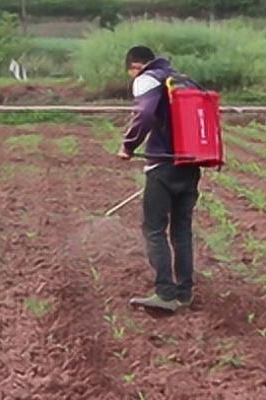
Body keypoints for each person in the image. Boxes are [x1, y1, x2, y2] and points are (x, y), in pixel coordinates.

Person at [118, 46, 201, 312]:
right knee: (181, 230)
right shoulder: (182, 78)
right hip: (191, 163)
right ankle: (184, 293)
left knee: (154, 229)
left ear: (134, 66)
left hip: (162, 165)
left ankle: (165, 294)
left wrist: (128, 146)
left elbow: (144, 114)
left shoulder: (147, 78)